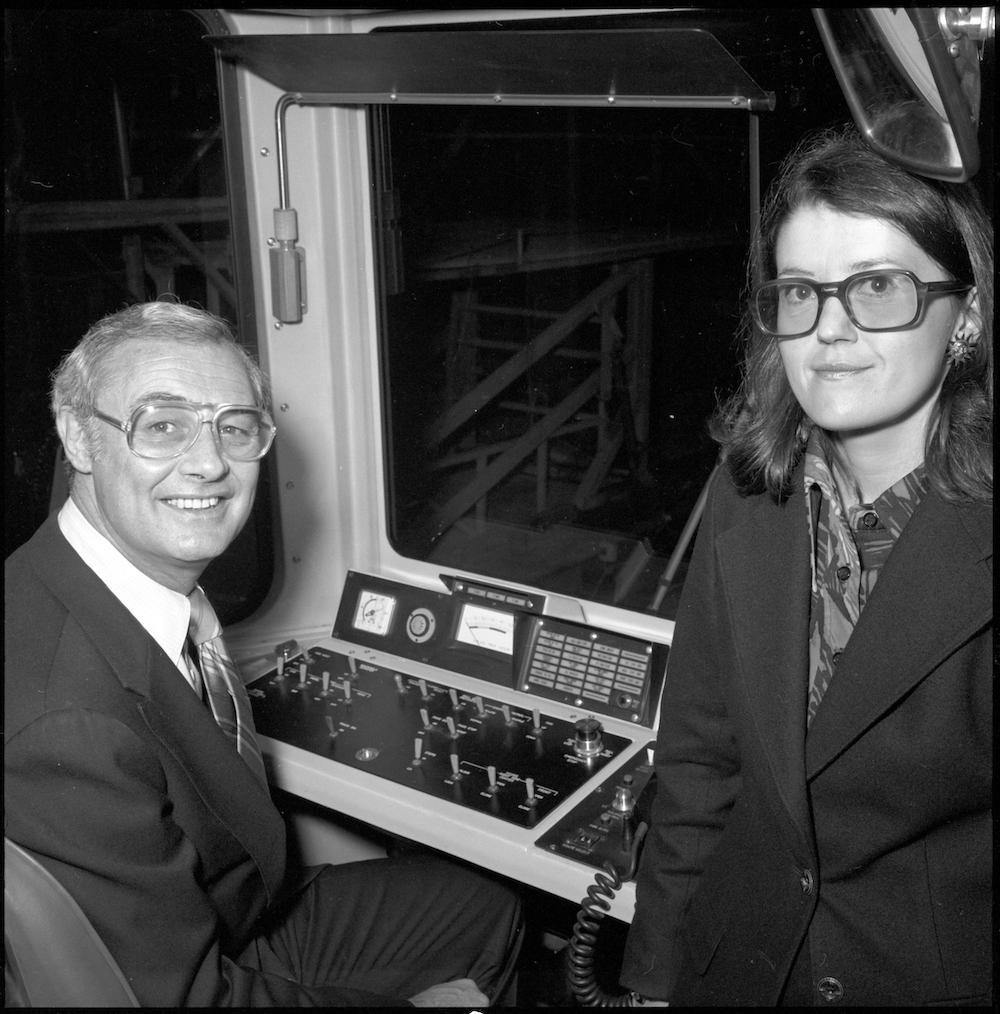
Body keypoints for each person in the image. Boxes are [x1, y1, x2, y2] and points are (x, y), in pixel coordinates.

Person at [4, 300, 523, 1007]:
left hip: (231, 911)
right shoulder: (68, 724)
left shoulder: (78, 579)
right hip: (210, 963)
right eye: (163, 426)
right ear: (77, 438)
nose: (213, 462)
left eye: (235, 427)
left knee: (485, 907)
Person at [620, 126, 992, 1006]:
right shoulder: (746, 497)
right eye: (799, 292)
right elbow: (700, 770)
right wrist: (654, 982)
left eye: (874, 286)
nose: (828, 329)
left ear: (967, 315)